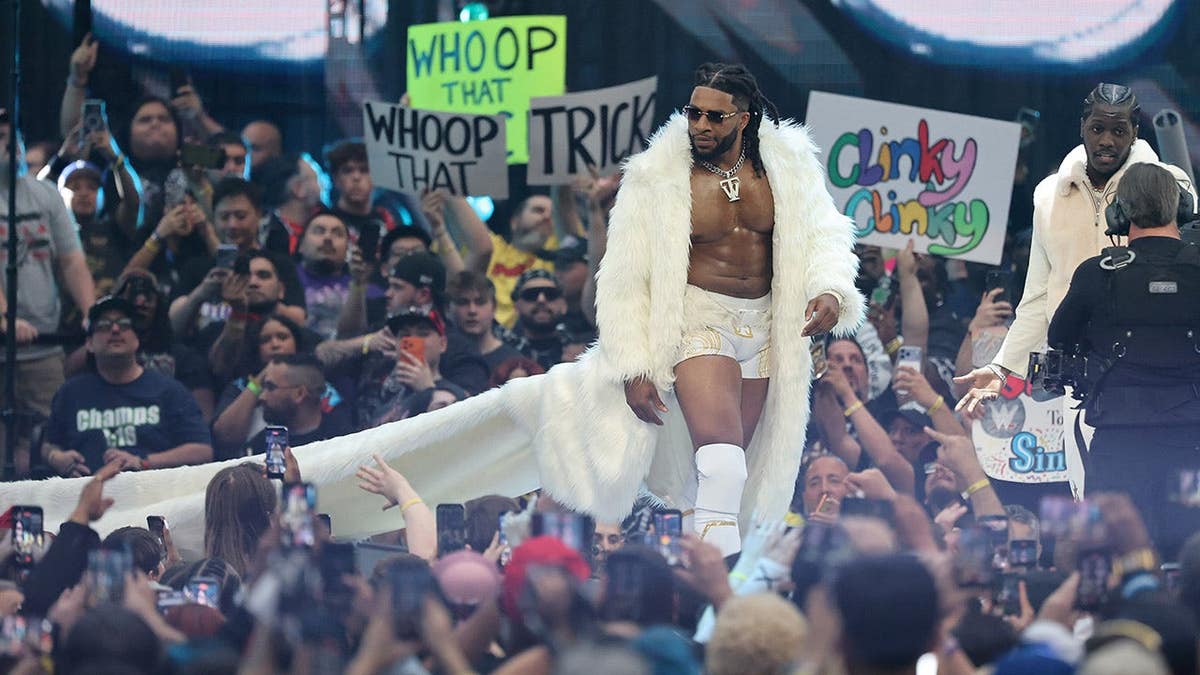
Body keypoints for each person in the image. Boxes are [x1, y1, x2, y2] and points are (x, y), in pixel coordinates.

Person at [956, 84, 1195, 436]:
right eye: (1098, 129)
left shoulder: (1169, 183)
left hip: (1166, 373)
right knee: (1090, 490)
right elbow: (1038, 297)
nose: (1107, 141)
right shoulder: (1048, 196)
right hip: (1078, 374)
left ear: (1135, 133)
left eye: (1119, 131)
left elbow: (1191, 271)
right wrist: (1003, 367)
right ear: (1082, 127)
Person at [1046, 163, 1200, 559]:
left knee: (1108, 561)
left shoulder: (1096, 274)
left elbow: (1058, 339)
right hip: (1191, 447)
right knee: (1190, 560)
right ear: (1181, 208)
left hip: (1119, 448)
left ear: (1120, 213)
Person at [0, 110, 97, 477]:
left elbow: (72, 261)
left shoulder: (46, 194)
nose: (10, 146)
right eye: (0, 138)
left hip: (43, 343)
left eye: (14, 137)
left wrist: (91, 313)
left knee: (51, 440)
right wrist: (5, 317)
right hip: (6, 340)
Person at [41, 295, 213, 476]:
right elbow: (48, 445)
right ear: (89, 344)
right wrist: (55, 457)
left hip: (150, 495)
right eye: (104, 326)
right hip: (86, 494)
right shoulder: (71, 393)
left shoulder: (170, 391)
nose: (115, 329)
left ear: (137, 340)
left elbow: (202, 450)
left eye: (124, 324)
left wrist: (144, 462)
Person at [222, 354, 351, 460]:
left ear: (299, 393)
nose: (262, 397)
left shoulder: (343, 438)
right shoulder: (264, 445)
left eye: (270, 387)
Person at [448, 270, 523, 375]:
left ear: (494, 307)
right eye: (463, 302)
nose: (472, 310)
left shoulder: (513, 362)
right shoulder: (443, 358)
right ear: (451, 308)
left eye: (480, 302)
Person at [506, 270, 570, 372]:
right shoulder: (503, 353)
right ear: (516, 307)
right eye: (531, 294)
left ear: (564, 304)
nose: (541, 300)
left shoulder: (586, 352)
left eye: (550, 294)